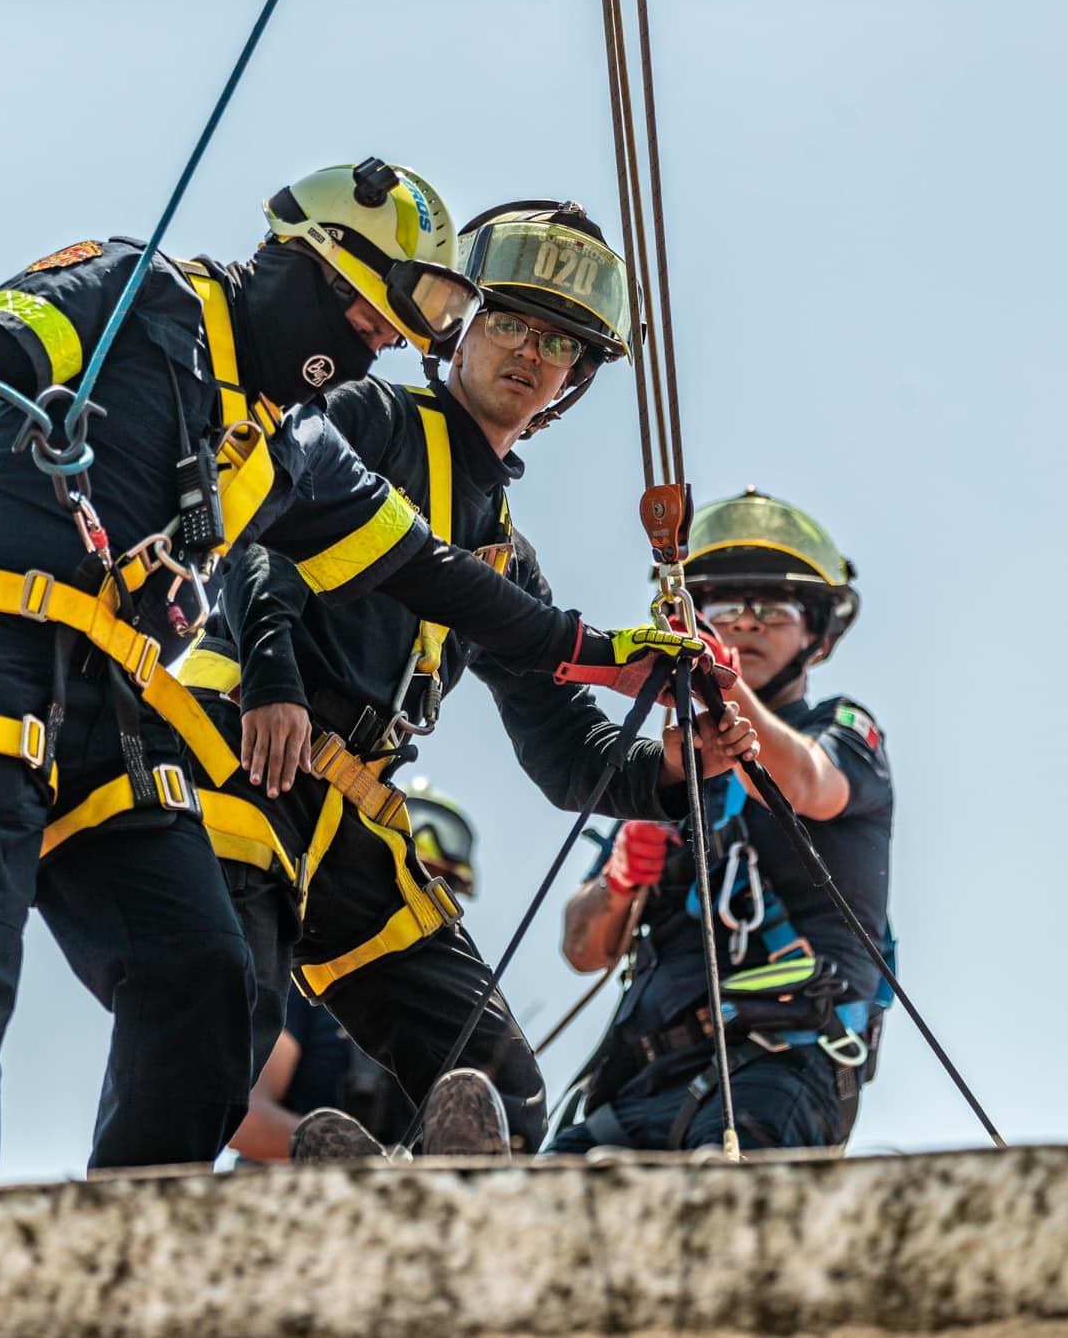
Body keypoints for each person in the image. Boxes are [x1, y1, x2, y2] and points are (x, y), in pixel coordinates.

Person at [0, 161, 709, 1186]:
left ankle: (179, 1233)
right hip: (12, 649)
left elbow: (436, 580)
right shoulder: (162, 299)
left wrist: (620, 673)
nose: (367, 343)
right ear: (300, 261)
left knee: (213, 983)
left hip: (138, 708)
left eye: (559, 345)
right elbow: (23, 321)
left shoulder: (298, 449)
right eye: (359, 313)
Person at [179, 201, 757, 1159]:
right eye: (508, 323)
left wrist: (672, 763)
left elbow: (568, 753)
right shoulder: (371, 417)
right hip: (242, 756)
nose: (529, 352)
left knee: (501, 1088)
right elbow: (263, 528)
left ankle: (390, 1230)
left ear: (572, 381)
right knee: (219, 1034)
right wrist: (269, 676)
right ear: (459, 326)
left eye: (559, 343)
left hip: (344, 818)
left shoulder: (503, 557)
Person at [547, 491, 894, 1155]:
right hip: (646, 1080)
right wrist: (619, 879)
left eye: (774, 609)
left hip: (782, 1063)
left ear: (815, 633)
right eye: (728, 609)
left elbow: (807, 785)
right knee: (538, 1203)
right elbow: (582, 948)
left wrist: (721, 687)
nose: (749, 624)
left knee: (722, 1205)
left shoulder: (842, 733)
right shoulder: (669, 768)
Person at [228, 781, 476, 1161]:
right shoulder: (304, 985)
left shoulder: (458, 1021)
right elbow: (245, 1119)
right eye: (411, 881)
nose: (415, 907)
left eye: (433, 886)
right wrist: (363, 1164)